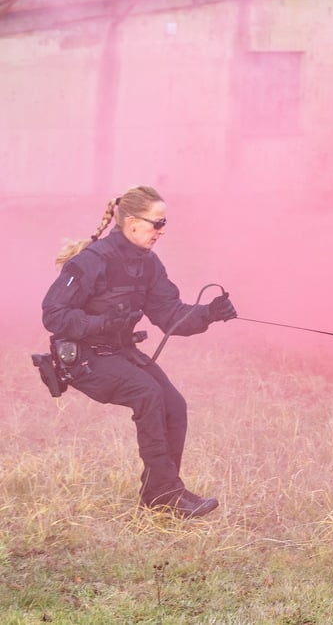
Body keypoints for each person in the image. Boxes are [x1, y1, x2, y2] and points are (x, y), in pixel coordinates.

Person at [41, 185, 237, 518]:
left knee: (174, 404)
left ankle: (159, 492)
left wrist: (209, 313)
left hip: (118, 351)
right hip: (81, 357)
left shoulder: (147, 264)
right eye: (156, 223)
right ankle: (165, 493)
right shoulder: (91, 261)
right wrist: (102, 322)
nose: (162, 230)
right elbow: (53, 314)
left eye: (164, 222)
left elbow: (170, 314)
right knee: (147, 392)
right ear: (131, 222)